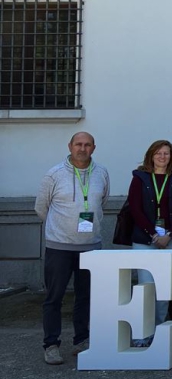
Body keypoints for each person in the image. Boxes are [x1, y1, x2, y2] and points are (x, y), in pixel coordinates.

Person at [36, 132, 110, 365]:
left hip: (90, 247)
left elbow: (102, 203)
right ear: (70, 146)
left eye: (87, 145)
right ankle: (51, 344)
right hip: (59, 247)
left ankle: (81, 340)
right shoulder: (54, 174)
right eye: (78, 144)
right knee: (54, 297)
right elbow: (41, 207)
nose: (82, 148)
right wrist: (61, 230)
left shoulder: (102, 173)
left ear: (94, 148)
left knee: (85, 296)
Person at [128, 140, 172, 347]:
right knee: (146, 287)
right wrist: (154, 233)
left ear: (171, 157)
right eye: (158, 153)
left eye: (166, 153)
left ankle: (158, 333)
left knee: (164, 290)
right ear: (151, 155)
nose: (162, 157)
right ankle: (142, 333)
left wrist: (169, 234)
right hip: (145, 240)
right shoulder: (139, 178)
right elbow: (135, 209)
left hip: (171, 240)